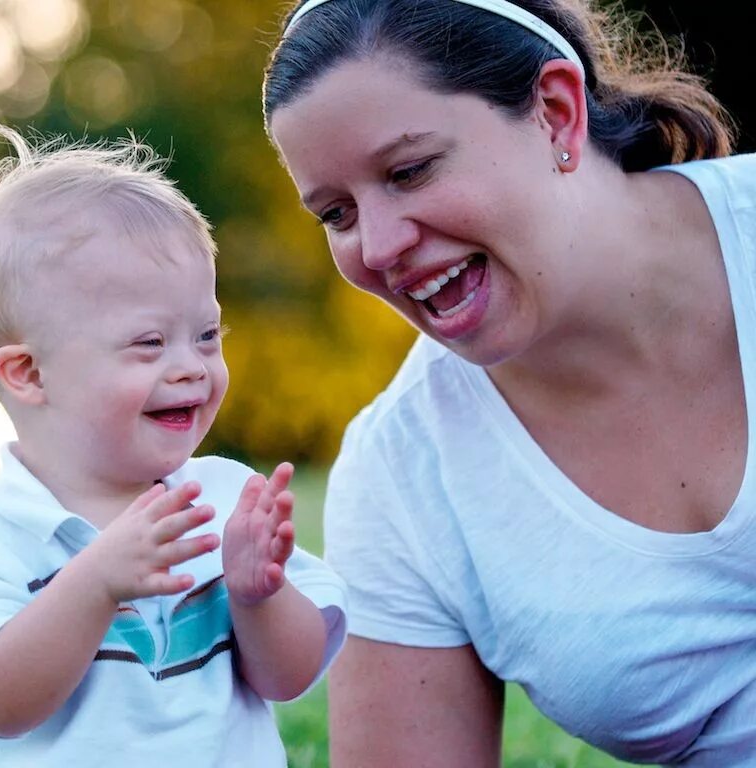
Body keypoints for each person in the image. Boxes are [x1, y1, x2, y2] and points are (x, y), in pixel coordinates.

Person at [262, 0, 755, 765]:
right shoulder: (403, 478)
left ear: (556, 113)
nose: (380, 245)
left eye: (410, 169)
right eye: (337, 213)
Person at [0, 125, 348, 768]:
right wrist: (97, 581)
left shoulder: (223, 501)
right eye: (149, 343)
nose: (192, 366)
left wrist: (260, 594)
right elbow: (3, 706)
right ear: (28, 374)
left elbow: (288, 679)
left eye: (205, 335)